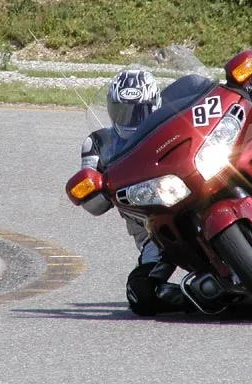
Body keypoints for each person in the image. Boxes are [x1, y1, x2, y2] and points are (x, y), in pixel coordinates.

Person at [80, 69, 192, 316]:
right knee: (140, 295)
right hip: (154, 231)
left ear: (154, 106)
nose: (129, 119)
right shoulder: (98, 144)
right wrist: (102, 187)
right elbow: (93, 206)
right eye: (122, 110)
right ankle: (197, 296)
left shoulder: (174, 122)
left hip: (192, 201)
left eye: (137, 111)